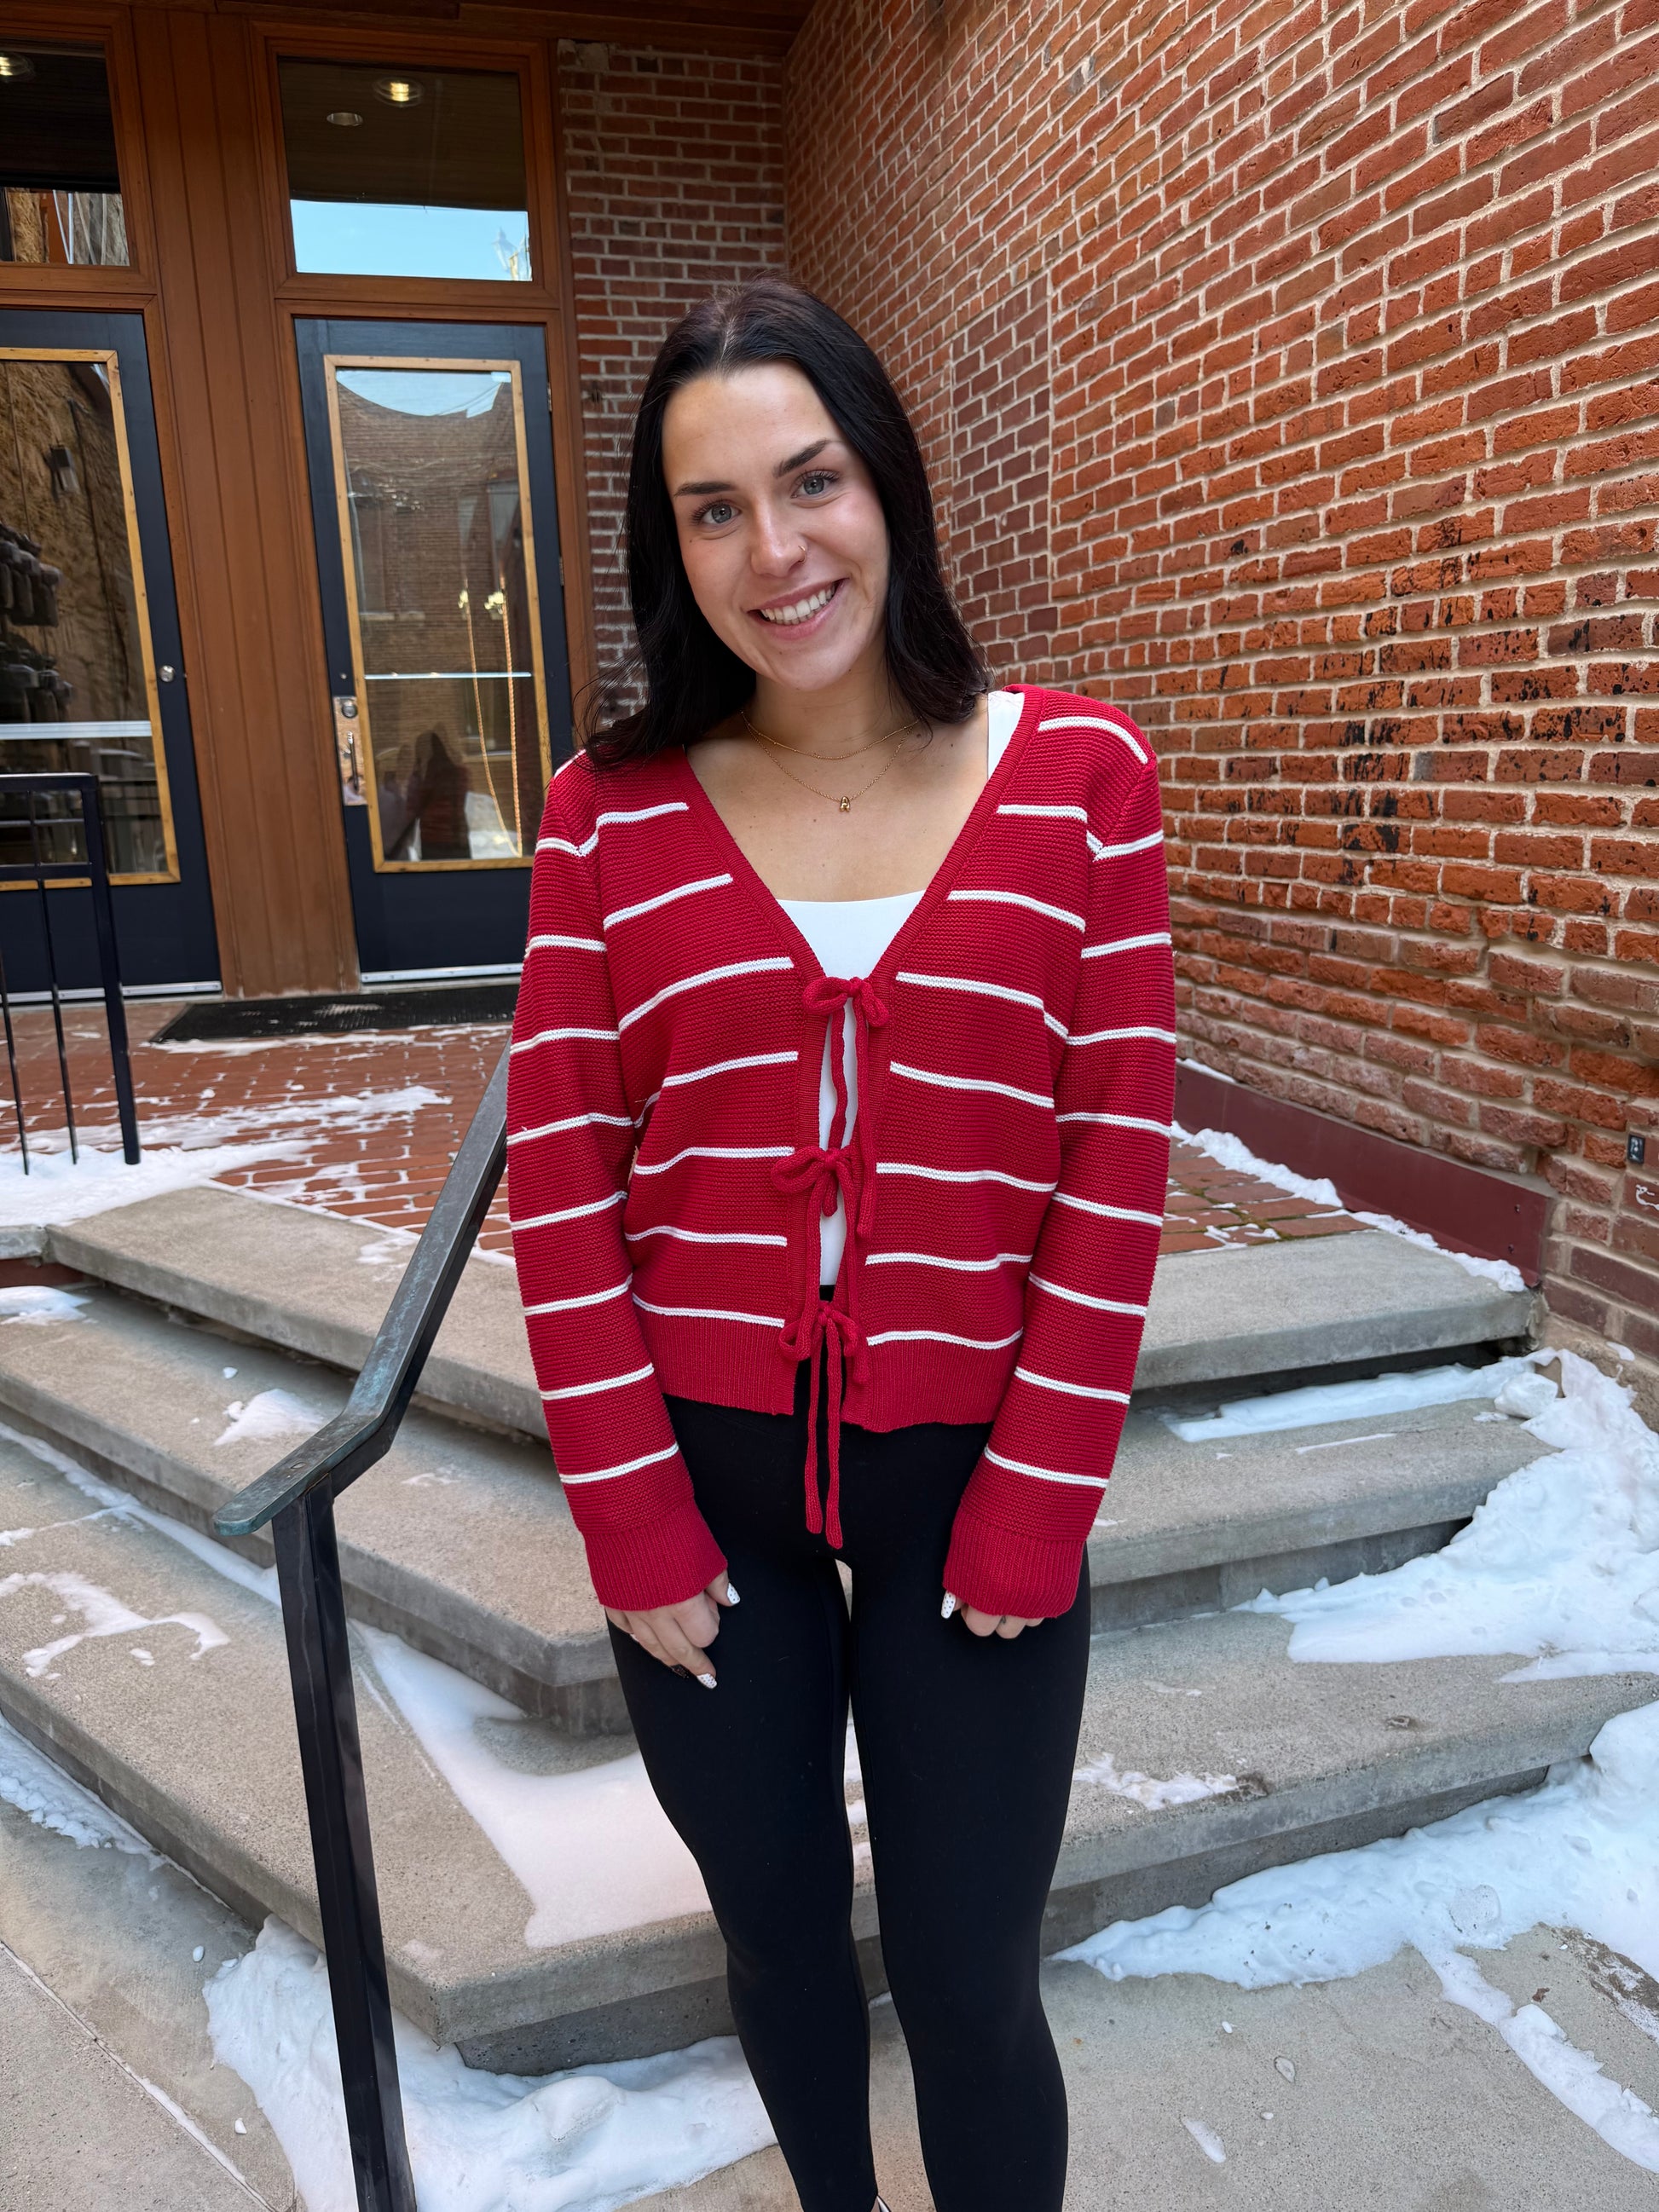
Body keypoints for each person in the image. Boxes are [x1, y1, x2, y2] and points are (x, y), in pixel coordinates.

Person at [508, 275, 1175, 2212]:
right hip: (705, 1498)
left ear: (886, 481)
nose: (775, 552)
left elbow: (1113, 1159)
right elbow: (561, 1171)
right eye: (712, 509)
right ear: (672, 549)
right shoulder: (606, 816)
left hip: (973, 1487)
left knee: (970, 1981)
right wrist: (628, 1512)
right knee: (780, 1945)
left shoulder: (1080, 783)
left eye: (810, 482)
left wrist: (1040, 1493)